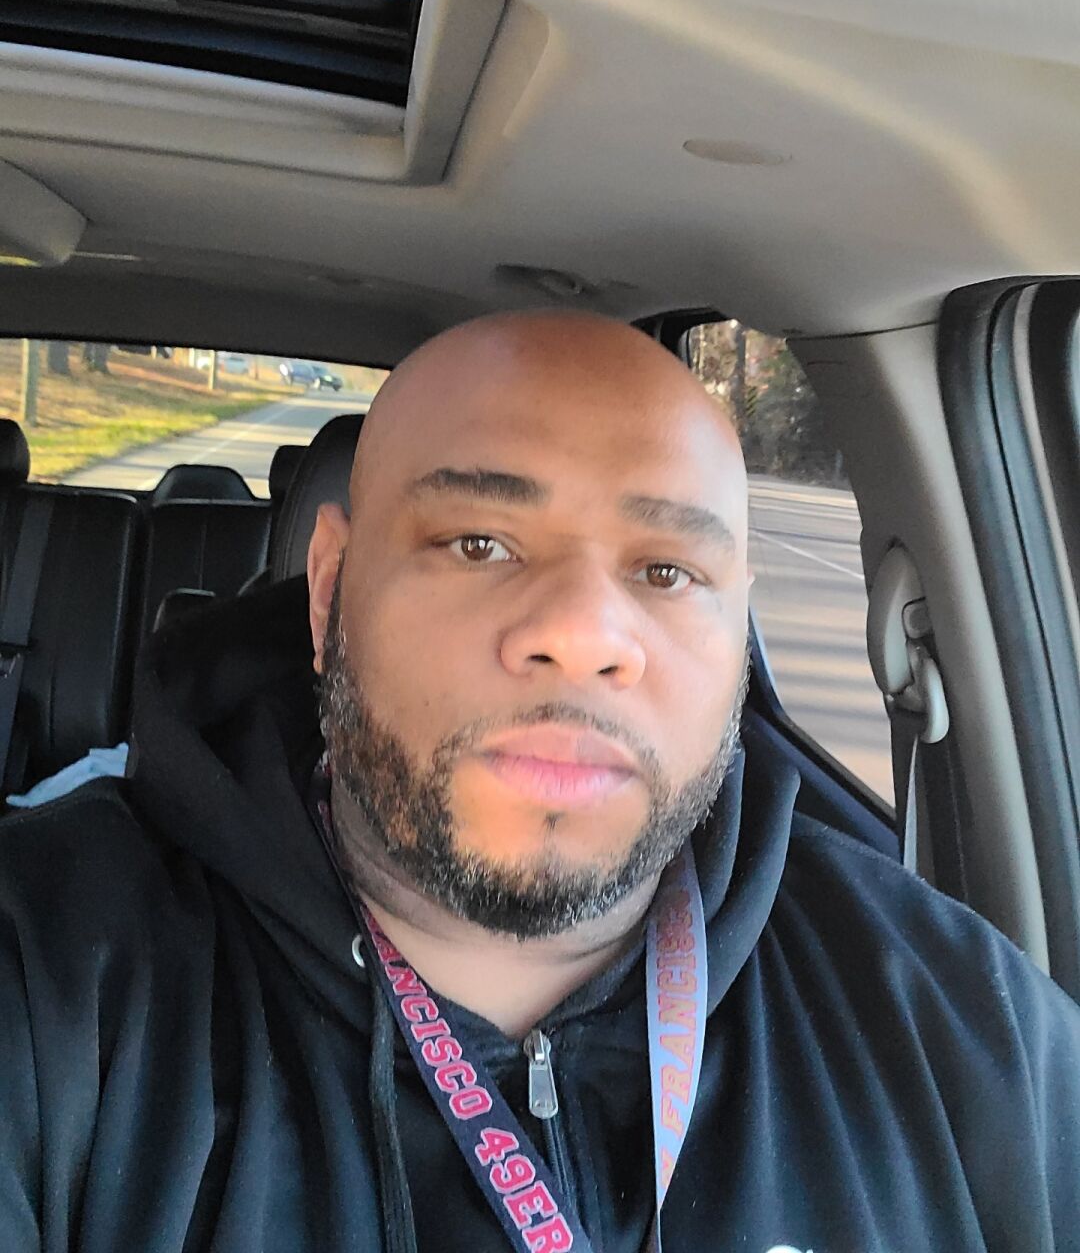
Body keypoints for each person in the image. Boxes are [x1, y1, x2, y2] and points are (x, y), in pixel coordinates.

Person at [0, 311, 1077, 1253]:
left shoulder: (954, 1014)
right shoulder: (49, 976)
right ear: (329, 593)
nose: (583, 635)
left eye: (667, 572)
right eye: (479, 543)